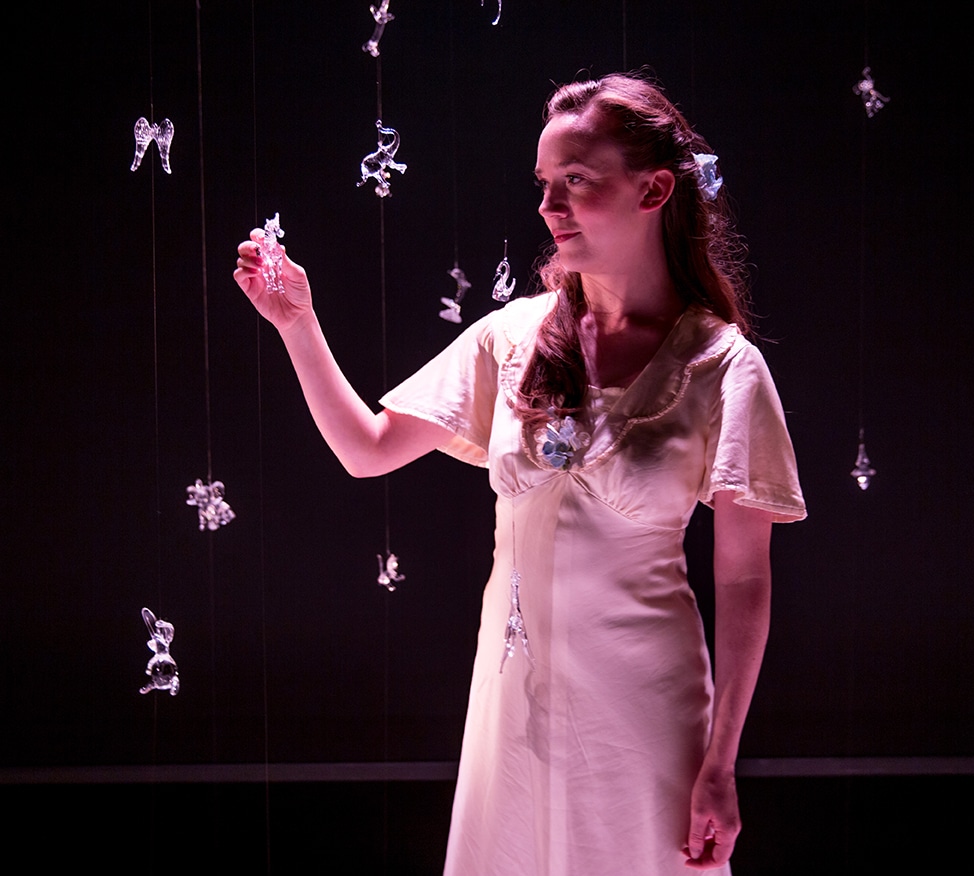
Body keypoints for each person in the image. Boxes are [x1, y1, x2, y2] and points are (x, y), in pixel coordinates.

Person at [234, 72, 805, 876]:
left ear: (656, 188)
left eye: (576, 181)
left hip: (646, 713)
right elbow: (365, 450)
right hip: (514, 703)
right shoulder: (512, 337)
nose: (549, 207)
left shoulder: (721, 365)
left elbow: (744, 579)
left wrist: (720, 764)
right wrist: (297, 321)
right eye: (544, 185)